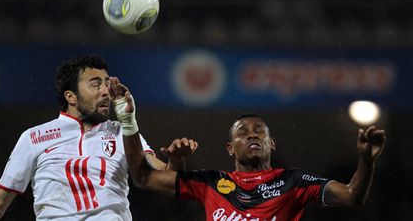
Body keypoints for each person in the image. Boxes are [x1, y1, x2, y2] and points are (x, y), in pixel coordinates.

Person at [117, 86, 386, 221]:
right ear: (230, 148)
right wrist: (128, 121)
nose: (252, 135)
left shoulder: (294, 182)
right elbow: (142, 178)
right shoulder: (210, 183)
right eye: (243, 132)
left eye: (259, 131)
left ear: (272, 144)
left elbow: (352, 196)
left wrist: (366, 161)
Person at [0, 55, 196, 221]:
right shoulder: (34, 137)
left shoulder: (122, 133)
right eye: (95, 84)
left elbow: (164, 179)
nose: (105, 91)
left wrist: (177, 160)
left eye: (106, 84)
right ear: (70, 96)